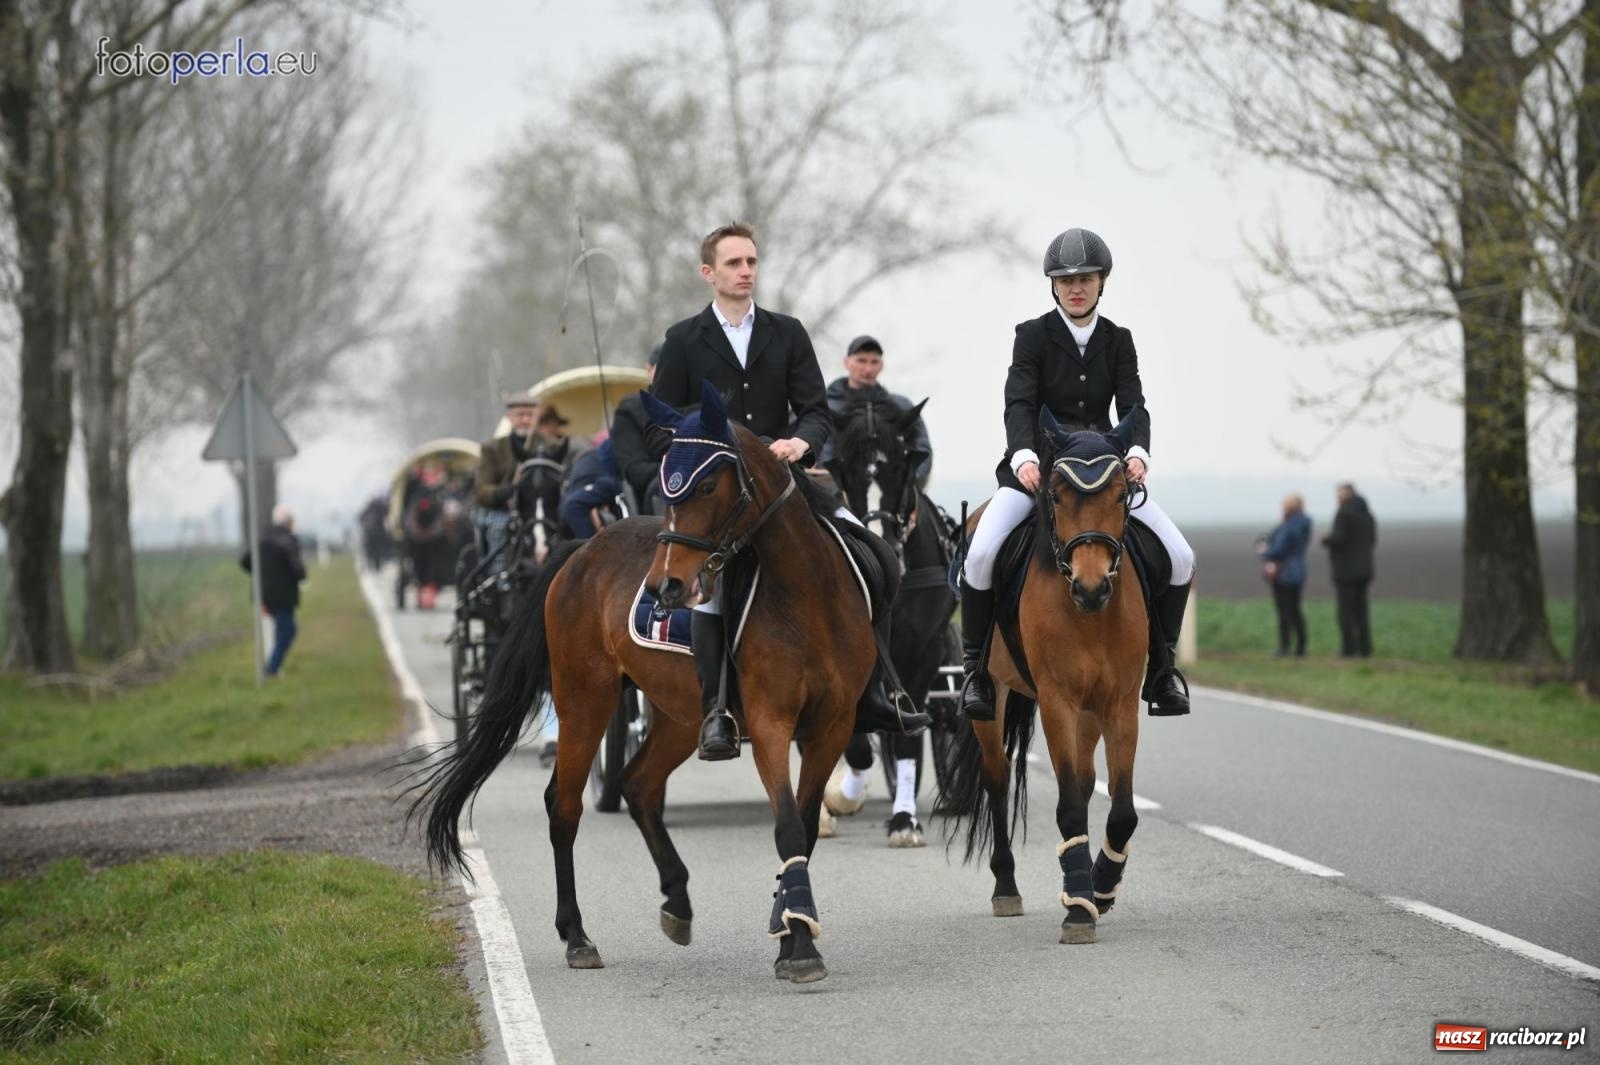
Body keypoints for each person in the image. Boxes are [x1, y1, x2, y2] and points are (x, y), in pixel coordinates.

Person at [649, 221, 925, 760]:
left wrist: (802, 443)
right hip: (718, 499)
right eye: (734, 263)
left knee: (874, 558)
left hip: (783, 491)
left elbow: (816, 412)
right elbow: (658, 427)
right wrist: (708, 442)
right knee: (711, 594)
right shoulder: (683, 339)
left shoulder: (788, 331)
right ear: (709, 273)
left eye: (751, 261)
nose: (746, 271)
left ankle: (874, 694)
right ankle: (716, 713)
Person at [958, 227, 1197, 720]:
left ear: (1101, 282)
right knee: (980, 553)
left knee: (1180, 555)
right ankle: (976, 673)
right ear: (1053, 286)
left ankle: (1162, 671)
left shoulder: (1119, 340)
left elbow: (1134, 404)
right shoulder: (1031, 335)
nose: (1075, 287)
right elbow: (1019, 402)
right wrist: (1024, 455)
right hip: (1041, 473)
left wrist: (1137, 453)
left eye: (1085, 278)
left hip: (1106, 472)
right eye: (1065, 279)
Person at [819, 334, 933, 484]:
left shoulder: (902, 406)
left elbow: (922, 451)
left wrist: (907, 481)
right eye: (861, 360)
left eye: (874, 362)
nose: (868, 368)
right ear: (846, 362)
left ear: (882, 366)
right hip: (831, 491)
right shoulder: (823, 406)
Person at [239, 503, 307, 677]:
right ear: (289, 522)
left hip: (264, 594)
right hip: (283, 595)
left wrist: (263, 573)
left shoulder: (263, 539)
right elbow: (298, 569)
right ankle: (272, 668)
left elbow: (245, 562)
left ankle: (274, 667)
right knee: (287, 631)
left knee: (280, 630)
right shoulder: (288, 540)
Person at [475, 390, 540, 562]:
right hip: (505, 510)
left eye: (529, 415)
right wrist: (505, 492)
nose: (525, 420)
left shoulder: (547, 445)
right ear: (509, 417)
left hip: (540, 509)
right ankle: (500, 577)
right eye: (520, 415)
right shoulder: (492, 448)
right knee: (499, 527)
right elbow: (482, 490)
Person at [608, 345, 665, 514]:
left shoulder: (701, 403)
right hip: (656, 495)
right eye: (665, 367)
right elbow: (635, 471)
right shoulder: (631, 411)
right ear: (649, 370)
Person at [1322, 482, 1377, 657]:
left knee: (1345, 613)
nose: (1337, 498)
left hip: (1346, 572)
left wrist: (1326, 540)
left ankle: (1348, 649)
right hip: (1365, 570)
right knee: (1362, 611)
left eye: (1339, 495)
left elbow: (1339, 539)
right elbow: (1372, 541)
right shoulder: (1368, 515)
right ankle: (1365, 648)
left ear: (1345, 496)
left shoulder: (1344, 514)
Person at [1260, 493, 1312, 656]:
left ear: (1288, 507)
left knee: (1284, 611)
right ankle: (1302, 646)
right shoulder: (1305, 523)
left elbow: (1278, 549)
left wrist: (1265, 551)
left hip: (1284, 573)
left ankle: (1284, 646)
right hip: (1298, 569)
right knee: (1296, 610)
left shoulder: (1289, 525)